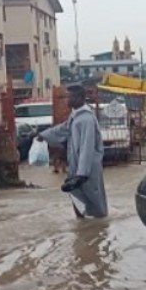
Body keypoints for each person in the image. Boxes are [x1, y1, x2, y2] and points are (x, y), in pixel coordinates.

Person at [37, 85, 108, 219]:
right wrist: (43, 135)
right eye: (65, 96)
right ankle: (84, 231)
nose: (66, 100)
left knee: (94, 201)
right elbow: (62, 129)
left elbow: (87, 147)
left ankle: (98, 231)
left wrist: (82, 174)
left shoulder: (86, 120)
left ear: (79, 98)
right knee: (77, 197)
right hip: (77, 167)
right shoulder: (75, 117)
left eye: (68, 96)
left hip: (87, 169)